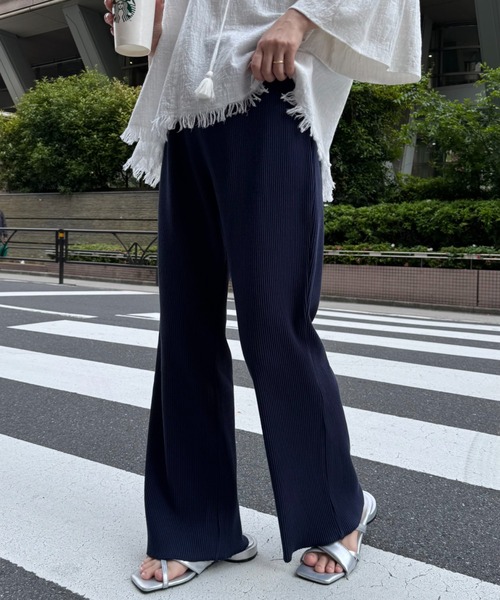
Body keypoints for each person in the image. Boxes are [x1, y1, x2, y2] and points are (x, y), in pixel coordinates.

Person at [104, 0, 421, 591]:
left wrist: (300, 18)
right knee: (185, 326)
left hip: (273, 91)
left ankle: (337, 509)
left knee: (275, 322)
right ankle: (196, 525)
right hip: (185, 106)